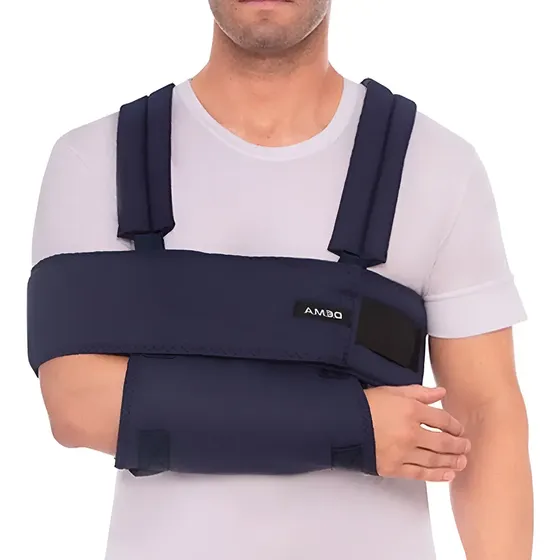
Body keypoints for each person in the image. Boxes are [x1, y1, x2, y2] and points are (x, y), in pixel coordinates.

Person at [31, 1, 533, 558]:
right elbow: (75, 405)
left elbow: (486, 412)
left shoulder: (437, 166)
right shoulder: (96, 159)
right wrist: (353, 426)